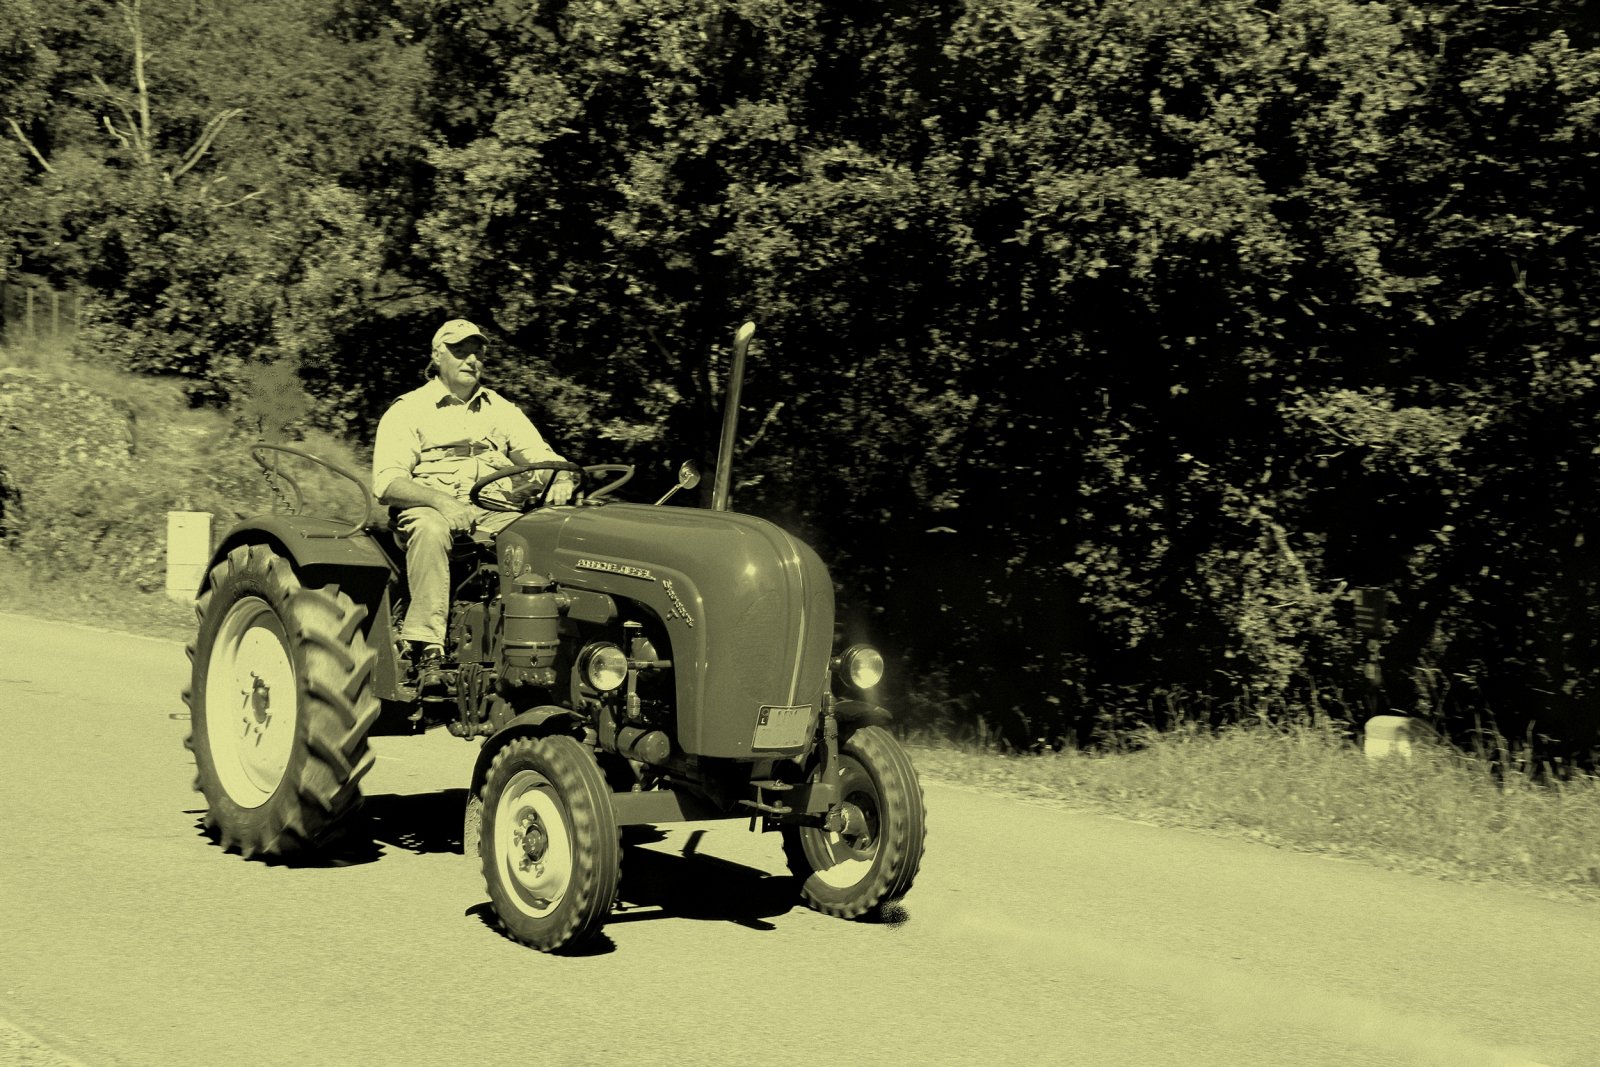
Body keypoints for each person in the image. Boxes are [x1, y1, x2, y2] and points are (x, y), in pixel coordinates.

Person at [371, 317, 577, 688]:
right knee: (432, 529)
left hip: (496, 509)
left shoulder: (501, 409)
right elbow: (387, 481)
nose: (471, 360)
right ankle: (425, 646)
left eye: (477, 353)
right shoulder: (408, 409)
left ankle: (540, 647)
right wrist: (442, 502)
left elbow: (539, 456)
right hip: (430, 507)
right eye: (460, 351)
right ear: (437, 356)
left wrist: (560, 477)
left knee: (545, 535)